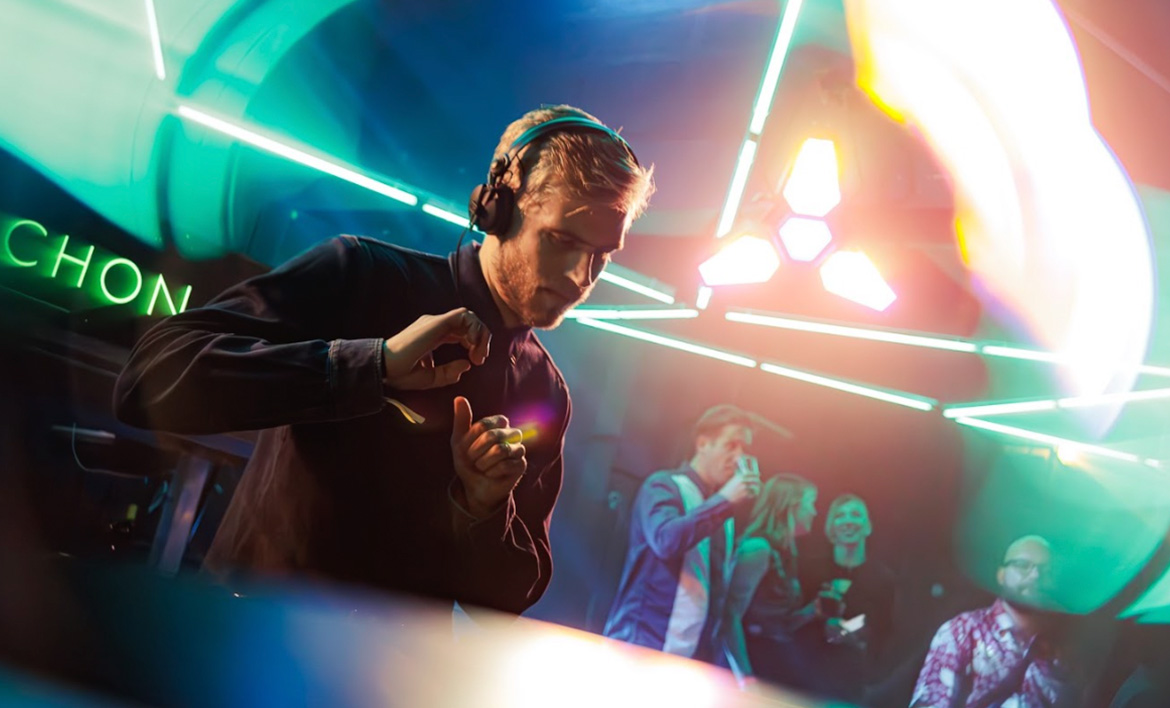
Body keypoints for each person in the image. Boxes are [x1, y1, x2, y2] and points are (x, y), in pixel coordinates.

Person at [113, 105, 655, 614]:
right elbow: (147, 378)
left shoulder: (546, 392)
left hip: (388, 667)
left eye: (602, 255)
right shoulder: (361, 274)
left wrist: (484, 509)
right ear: (499, 206)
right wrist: (370, 366)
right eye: (561, 240)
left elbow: (512, 595)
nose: (581, 277)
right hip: (251, 637)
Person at [603, 404, 762, 668]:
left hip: (690, 658)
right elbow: (665, 541)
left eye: (743, 449)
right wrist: (724, 501)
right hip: (642, 647)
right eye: (731, 445)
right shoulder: (664, 485)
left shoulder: (725, 511)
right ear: (703, 444)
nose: (738, 457)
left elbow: (716, 596)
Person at [910, 535, 1075, 708]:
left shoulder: (1064, 651)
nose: (1035, 575)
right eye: (1023, 565)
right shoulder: (963, 631)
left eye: (1047, 571)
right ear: (1001, 575)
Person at [722, 474, 820, 687]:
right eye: (810, 503)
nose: (815, 512)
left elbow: (775, 624)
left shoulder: (785, 553)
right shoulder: (758, 549)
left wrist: (811, 612)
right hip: (757, 662)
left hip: (776, 661)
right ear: (790, 506)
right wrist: (745, 677)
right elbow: (730, 616)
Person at [813, 493, 897, 702]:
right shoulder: (811, 571)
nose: (848, 521)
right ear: (830, 527)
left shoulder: (883, 578)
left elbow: (886, 631)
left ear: (868, 527)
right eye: (840, 515)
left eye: (856, 514)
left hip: (856, 683)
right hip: (809, 678)